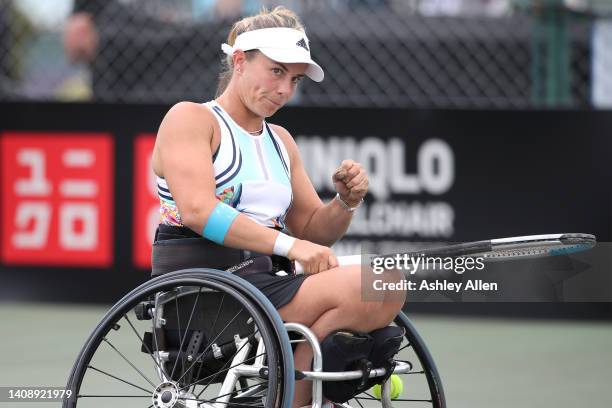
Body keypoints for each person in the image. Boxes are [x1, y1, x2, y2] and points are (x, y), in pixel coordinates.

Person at [151, 6, 406, 407]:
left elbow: (312, 229)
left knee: (386, 282)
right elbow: (198, 211)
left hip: (267, 285)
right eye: (276, 72)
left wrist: (345, 202)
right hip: (207, 296)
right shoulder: (190, 119)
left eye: (295, 79)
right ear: (239, 61)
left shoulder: (281, 140)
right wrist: (290, 247)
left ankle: (286, 397)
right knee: (380, 283)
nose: (286, 89)